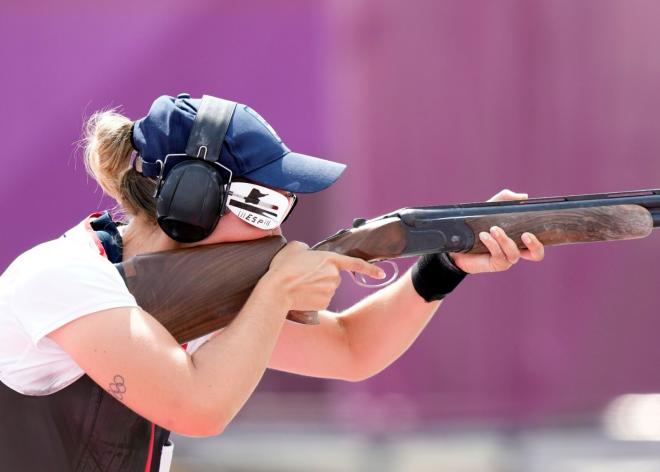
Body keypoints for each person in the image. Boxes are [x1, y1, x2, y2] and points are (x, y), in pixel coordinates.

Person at [0, 93, 545, 471]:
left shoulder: (176, 299)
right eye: (261, 204)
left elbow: (351, 350)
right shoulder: (65, 278)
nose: (280, 227)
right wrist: (275, 292)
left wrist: (443, 266)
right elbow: (195, 406)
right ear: (191, 200)